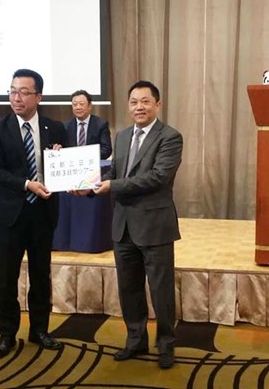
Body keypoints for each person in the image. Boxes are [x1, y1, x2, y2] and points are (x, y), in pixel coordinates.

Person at [74, 80, 183, 369]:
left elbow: (157, 177)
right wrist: (87, 185)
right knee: (129, 289)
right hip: (123, 225)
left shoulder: (170, 137)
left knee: (161, 291)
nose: (139, 107)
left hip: (155, 226)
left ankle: (166, 345)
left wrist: (112, 186)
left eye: (145, 101)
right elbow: (114, 171)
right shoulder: (122, 136)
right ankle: (135, 340)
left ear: (158, 104)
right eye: (134, 102)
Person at [0, 69, 67, 359]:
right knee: (7, 278)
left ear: (38, 97)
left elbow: (66, 166)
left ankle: (40, 330)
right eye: (12, 91)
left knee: (41, 275)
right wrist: (26, 184)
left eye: (23, 92)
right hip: (11, 215)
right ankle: (6, 334)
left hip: (43, 213)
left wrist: (60, 157)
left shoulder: (55, 128)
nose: (16, 97)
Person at [64, 89, 112, 159]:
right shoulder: (66, 126)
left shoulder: (101, 124)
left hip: (93, 163)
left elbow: (106, 150)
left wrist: (85, 155)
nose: (78, 107)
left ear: (90, 106)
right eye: (75, 104)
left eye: (81, 104)